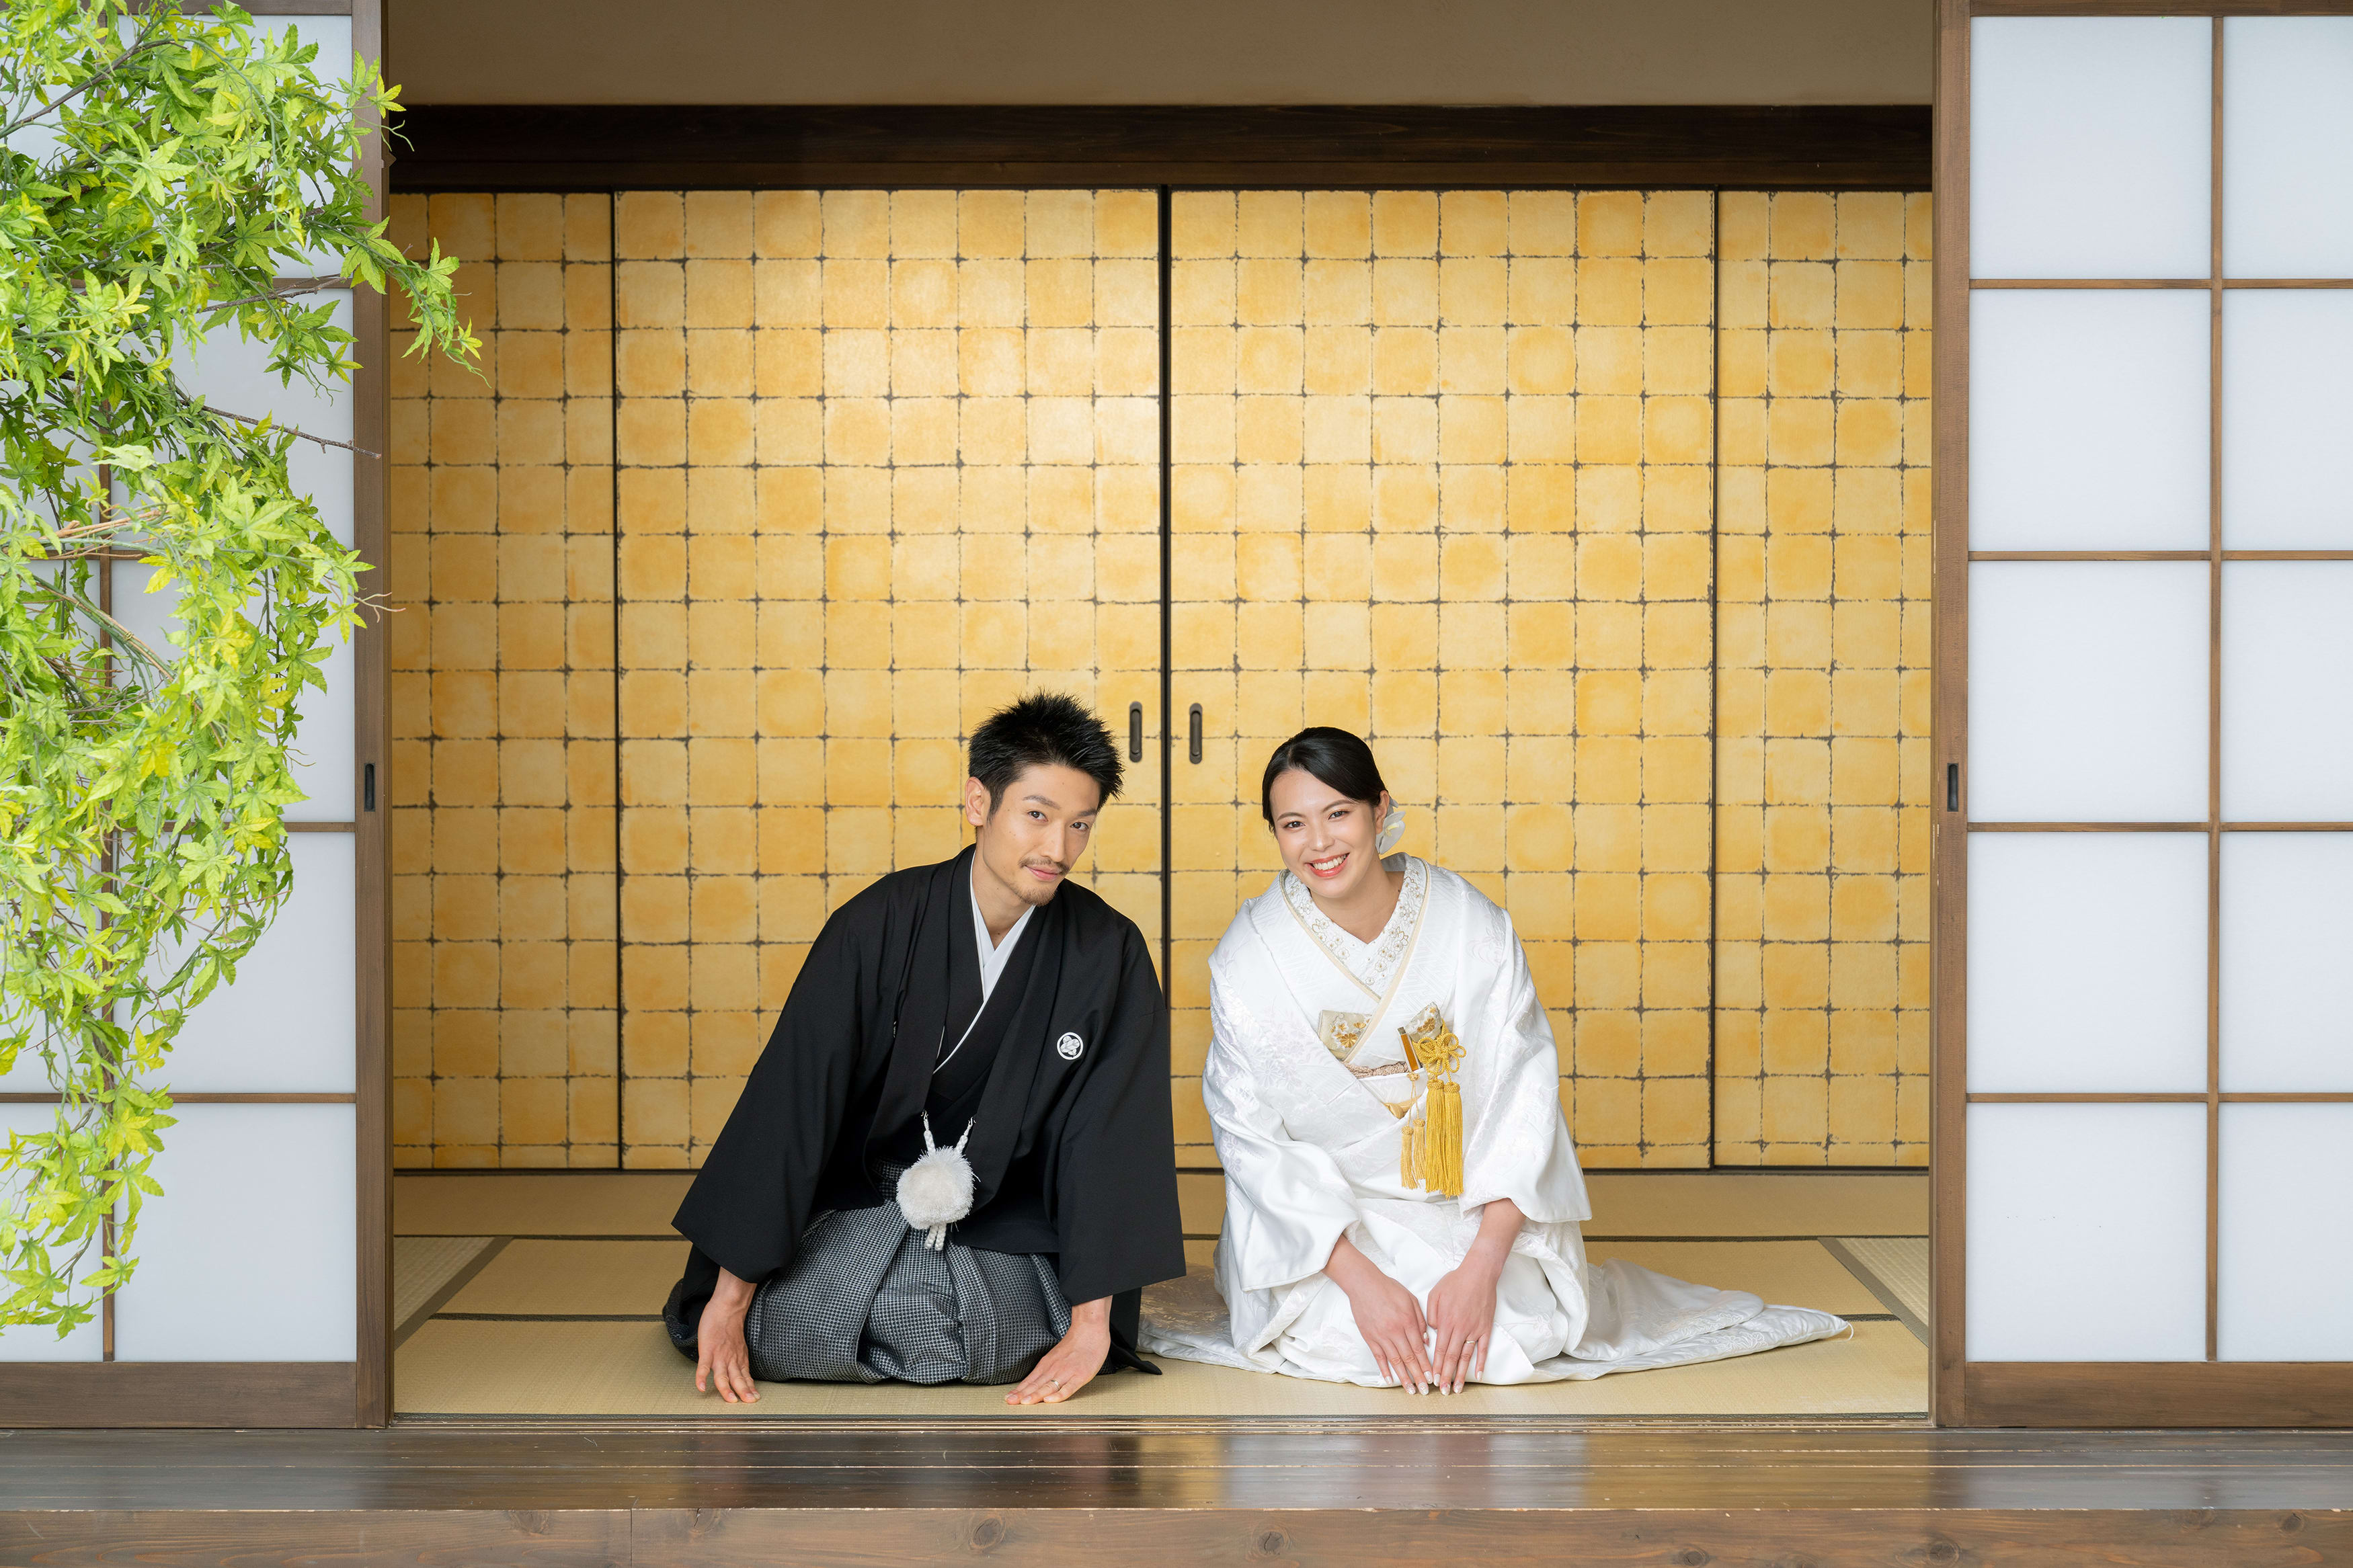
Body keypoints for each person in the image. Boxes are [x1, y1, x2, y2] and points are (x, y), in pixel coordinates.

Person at [1142, 727, 1844, 1391]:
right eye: (1293, 823)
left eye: (1339, 813)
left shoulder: (1468, 925)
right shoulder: (1251, 957)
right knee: (1346, 1336)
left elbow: (1522, 1099)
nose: (1318, 842)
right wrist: (1360, 1280)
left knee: (1513, 1327)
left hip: (1459, 1201)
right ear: (1274, 832)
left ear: (1379, 809)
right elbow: (1251, 1137)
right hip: (1323, 1225)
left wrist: (1481, 1267)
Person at [663, 694, 1185, 1405]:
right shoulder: (876, 924)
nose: (1058, 849)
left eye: (1080, 824)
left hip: (1008, 1214)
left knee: (1005, 1334)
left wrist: (1092, 1323)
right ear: (978, 801)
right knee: (790, 1326)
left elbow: (1111, 1136)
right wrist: (729, 1300)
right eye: (1036, 814)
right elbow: (793, 1099)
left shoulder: (1107, 951)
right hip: (864, 1198)